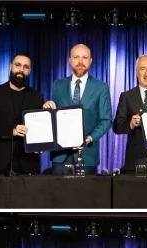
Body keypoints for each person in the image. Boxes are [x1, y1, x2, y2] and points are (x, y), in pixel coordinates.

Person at [44, 44, 113, 175]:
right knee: (58, 189)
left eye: (84, 57)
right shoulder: (58, 85)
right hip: (60, 155)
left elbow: (106, 120)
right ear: (69, 60)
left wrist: (89, 138)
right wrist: (48, 108)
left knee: (86, 189)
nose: (80, 61)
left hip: (87, 155)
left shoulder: (101, 87)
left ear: (90, 61)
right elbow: (54, 118)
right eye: (76, 57)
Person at [0, 53, 45, 175]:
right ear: (11, 67)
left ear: (30, 71)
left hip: (28, 162)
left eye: (26, 67)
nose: (21, 70)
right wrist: (12, 131)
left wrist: (40, 144)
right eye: (18, 65)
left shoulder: (37, 96)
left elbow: (41, 128)